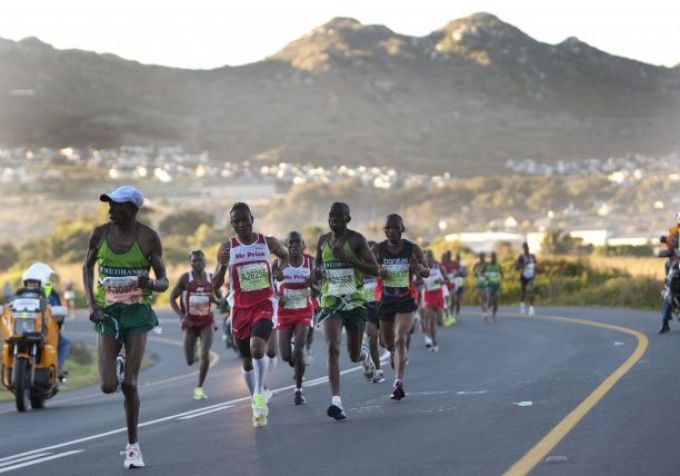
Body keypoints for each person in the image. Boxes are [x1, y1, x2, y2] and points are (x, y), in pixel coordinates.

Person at [83, 186, 168, 469]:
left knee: (129, 384)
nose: (110, 209)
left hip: (137, 314)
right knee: (108, 386)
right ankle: (118, 359)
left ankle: (133, 447)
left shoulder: (147, 238)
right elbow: (87, 267)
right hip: (107, 313)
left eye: (117, 205)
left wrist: (153, 284)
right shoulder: (99, 234)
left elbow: (164, 280)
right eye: (109, 203)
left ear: (132, 209)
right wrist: (91, 305)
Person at [213, 202, 288, 428]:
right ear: (232, 224)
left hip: (264, 303)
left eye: (245, 220)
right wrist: (220, 267)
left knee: (257, 349)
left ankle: (258, 393)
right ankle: (255, 395)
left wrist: (278, 269)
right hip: (240, 309)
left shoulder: (268, 242)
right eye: (236, 221)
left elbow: (283, 256)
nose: (241, 225)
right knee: (246, 361)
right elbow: (215, 284)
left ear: (252, 219)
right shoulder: (228, 248)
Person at [314, 202, 379, 420]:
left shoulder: (356, 240)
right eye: (331, 215)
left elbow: (375, 270)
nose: (335, 219)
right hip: (331, 303)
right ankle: (336, 402)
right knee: (332, 347)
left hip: (355, 304)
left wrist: (347, 258)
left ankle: (365, 354)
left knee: (353, 355)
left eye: (340, 216)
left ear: (348, 219)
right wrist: (313, 275)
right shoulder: (322, 241)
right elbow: (317, 269)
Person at [374, 214, 428, 399]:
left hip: (406, 299)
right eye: (387, 228)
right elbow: (367, 269)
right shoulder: (378, 249)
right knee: (387, 343)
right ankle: (392, 354)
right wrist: (378, 272)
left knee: (400, 339)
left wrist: (419, 269)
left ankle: (398, 383)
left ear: (402, 229)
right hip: (386, 300)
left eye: (395, 228)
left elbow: (426, 270)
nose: (391, 231)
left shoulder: (412, 249)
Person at [169, 250, 218, 400]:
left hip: (206, 321)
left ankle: (199, 387)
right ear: (190, 262)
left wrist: (215, 300)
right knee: (190, 360)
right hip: (189, 323)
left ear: (205, 262)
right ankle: (194, 351)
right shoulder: (185, 278)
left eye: (201, 260)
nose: (198, 263)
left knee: (205, 354)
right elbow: (172, 298)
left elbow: (219, 300)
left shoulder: (211, 278)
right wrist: (181, 317)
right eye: (195, 260)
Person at [274, 231, 315, 404]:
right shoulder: (278, 263)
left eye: (298, 243)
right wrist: (278, 297)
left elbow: (319, 286)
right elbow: (270, 287)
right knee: (285, 356)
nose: (294, 246)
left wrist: (312, 284)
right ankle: (298, 361)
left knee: (299, 349)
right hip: (284, 313)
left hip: (303, 312)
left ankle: (298, 390)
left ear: (303, 245)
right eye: (291, 243)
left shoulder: (310, 262)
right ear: (286, 246)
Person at [363, 240, 384, 384]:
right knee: (372, 337)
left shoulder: (382, 267)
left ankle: (375, 364)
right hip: (366, 306)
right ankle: (376, 368)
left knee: (384, 342)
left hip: (382, 306)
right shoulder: (360, 268)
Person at [43, 279, 71, 382]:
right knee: (65, 342)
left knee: (64, 341)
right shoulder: (50, 293)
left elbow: (58, 310)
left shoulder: (23, 292)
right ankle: (58, 369)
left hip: (45, 331)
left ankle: (57, 369)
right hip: (41, 331)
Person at [421, 250, 447, 352]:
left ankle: (431, 337)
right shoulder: (422, 268)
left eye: (430, 257)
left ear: (433, 258)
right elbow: (417, 280)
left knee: (440, 322)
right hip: (428, 296)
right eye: (427, 258)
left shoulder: (438, 267)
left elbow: (446, 279)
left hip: (438, 295)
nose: (428, 259)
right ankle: (431, 339)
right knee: (429, 319)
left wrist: (441, 281)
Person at [516, 242, 537, 316]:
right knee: (523, 292)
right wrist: (523, 265)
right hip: (524, 276)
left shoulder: (532, 256)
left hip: (531, 276)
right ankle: (522, 306)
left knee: (532, 291)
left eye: (527, 247)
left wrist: (535, 273)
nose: (526, 249)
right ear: (523, 249)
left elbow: (536, 265)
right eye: (524, 248)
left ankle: (531, 308)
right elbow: (516, 266)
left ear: (528, 248)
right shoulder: (521, 257)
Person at [484, 252, 503, 323]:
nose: (493, 258)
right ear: (490, 258)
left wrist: (499, 276)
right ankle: (486, 310)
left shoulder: (498, 266)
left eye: (495, 257)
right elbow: (483, 273)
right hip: (489, 285)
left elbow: (501, 274)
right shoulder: (487, 266)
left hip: (496, 285)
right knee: (489, 301)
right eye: (492, 257)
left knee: (496, 302)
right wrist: (485, 276)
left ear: (496, 258)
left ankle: (493, 316)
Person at [473, 253, 488, 320]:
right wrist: (477, 274)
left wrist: (485, 275)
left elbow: (489, 272)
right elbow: (474, 273)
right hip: (479, 283)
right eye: (480, 256)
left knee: (485, 297)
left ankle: (484, 308)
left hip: (485, 283)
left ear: (484, 257)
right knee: (482, 296)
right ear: (479, 257)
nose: (481, 258)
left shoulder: (487, 264)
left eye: (483, 256)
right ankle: (483, 313)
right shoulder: (477, 264)